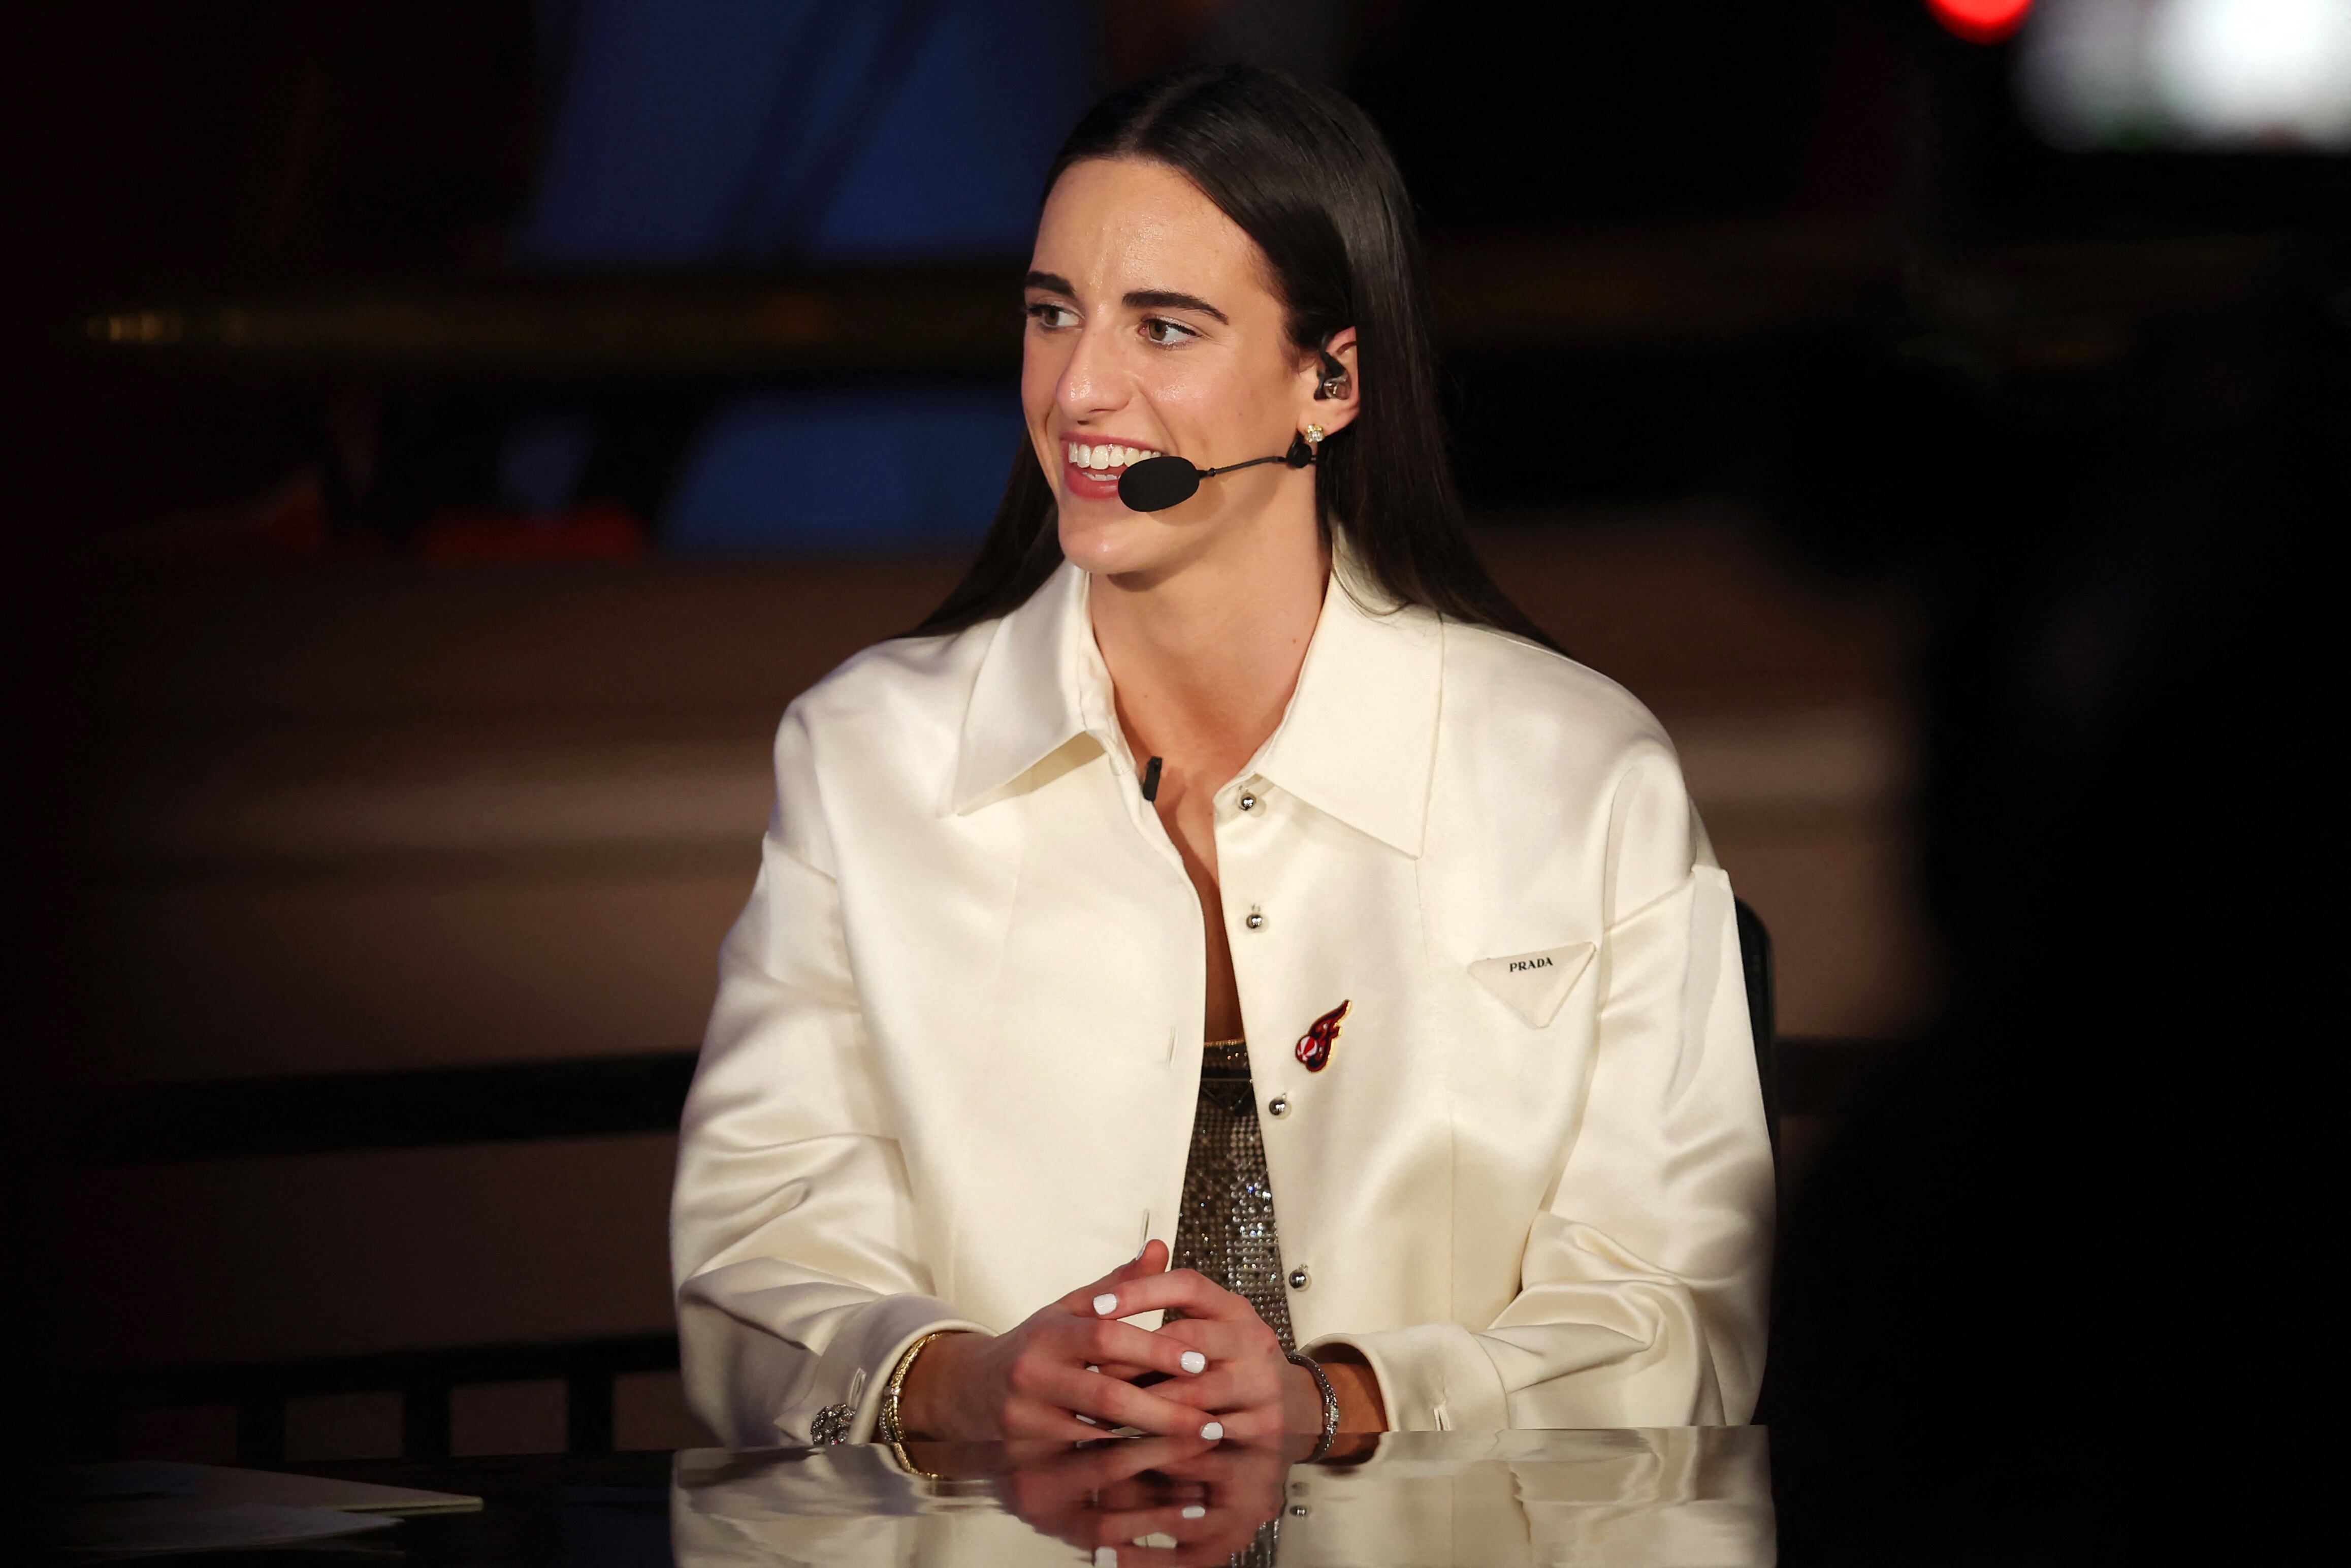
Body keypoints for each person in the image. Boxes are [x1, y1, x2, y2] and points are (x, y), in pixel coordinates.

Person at [671, 64, 1773, 1453]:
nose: (1079, 388)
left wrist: (1337, 1407)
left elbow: (1679, 1307)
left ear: (1329, 382)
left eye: (1164, 327)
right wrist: (964, 1380)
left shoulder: (1584, 776)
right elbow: (756, 1260)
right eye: (1051, 314)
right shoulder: (864, 756)